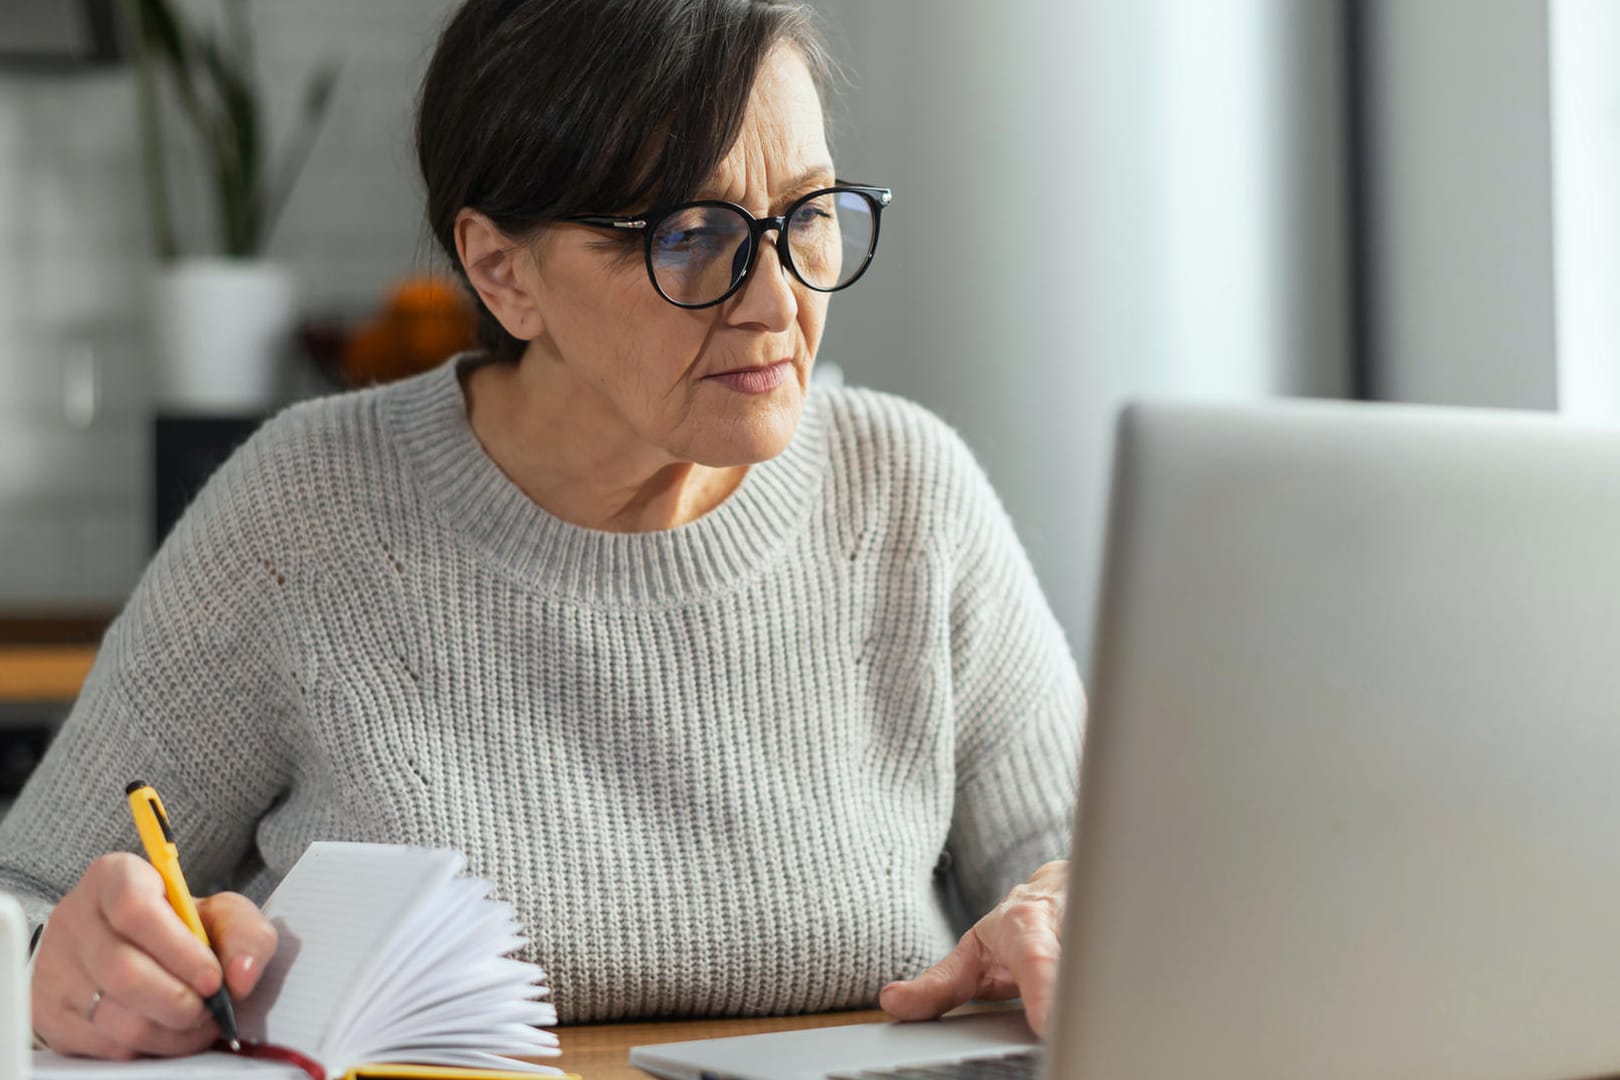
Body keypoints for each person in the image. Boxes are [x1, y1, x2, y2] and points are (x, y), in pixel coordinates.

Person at [0, 0, 1084, 1060]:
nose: (773, 302)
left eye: (805, 214)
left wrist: (1066, 910)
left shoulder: (907, 493)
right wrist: (67, 962)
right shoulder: (306, 510)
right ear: (502, 272)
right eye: (690, 234)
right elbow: (30, 904)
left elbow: (1097, 866)